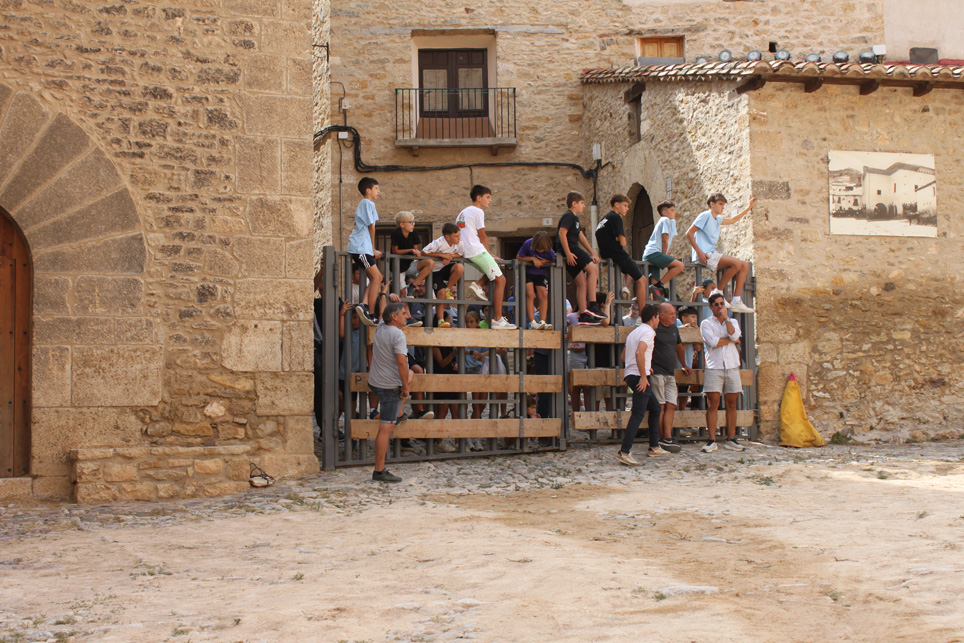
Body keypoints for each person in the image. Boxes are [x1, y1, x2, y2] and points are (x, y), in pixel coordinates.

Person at [456, 185, 516, 329]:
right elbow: (482, 236)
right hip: (476, 250)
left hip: (466, 251)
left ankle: (477, 284)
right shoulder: (478, 211)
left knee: (493, 274)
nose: (490, 200)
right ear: (479, 198)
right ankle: (498, 319)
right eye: (488, 197)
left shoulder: (462, 212)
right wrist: (488, 253)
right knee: (501, 280)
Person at [685, 193, 756, 314]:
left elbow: (733, 220)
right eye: (720, 204)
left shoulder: (717, 219)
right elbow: (689, 233)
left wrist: (749, 208)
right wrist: (699, 252)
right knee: (737, 264)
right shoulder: (705, 215)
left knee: (745, 265)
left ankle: (736, 300)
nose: (723, 207)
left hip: (712, 253)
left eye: (724, 205)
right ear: (712, 204)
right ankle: (717, 291)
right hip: (704, 255)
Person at [616, 304, 669, 465]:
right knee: (638, 414)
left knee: (655, 408)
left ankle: (654, 446)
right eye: (658, 317)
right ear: (654, 317)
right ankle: (624, 451)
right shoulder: (649, 332)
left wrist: (645, 366)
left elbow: (624, 357)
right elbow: (639, 352)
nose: (658, 320)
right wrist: (644, 375)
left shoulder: (635, 332)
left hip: (632, 374)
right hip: (640, 377)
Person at [367, 302, 414, 483]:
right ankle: (379, 471)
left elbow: (382, 311)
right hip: (389, 387)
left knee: (411, 374)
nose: (407, 316)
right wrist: (405, 388)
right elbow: (402, 362)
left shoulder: (380, 326)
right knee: (386, 429)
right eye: (403, 313)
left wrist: (385, 292)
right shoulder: (398, 335)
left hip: (375, 382)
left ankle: (399, 413)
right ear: (394, 317)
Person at [699, 292, 745, 453]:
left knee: (732, 403)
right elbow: (713, 342)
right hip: (715, 367)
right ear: (711, 307)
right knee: (713, 403)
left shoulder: (732, 321)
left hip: (731, 366)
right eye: (716, 304)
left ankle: (731, 438)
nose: (720, 307)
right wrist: (731, 340)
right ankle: (712, 439)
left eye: (722, 304)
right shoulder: (706, 323)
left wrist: (727, 321)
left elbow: (735, 335)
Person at [557, 191, 604, 325]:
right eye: (582, 203)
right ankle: (593, 304)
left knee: (582, 283)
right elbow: (562, 233)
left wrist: (593, 252)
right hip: (572, 249)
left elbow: (581, 236)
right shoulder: (569, 216)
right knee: (594, 270)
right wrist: (568, 253)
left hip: (571, 250)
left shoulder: (575, 219)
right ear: (574, 203)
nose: (584, 206)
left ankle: (583, 314)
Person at [652, 302, 690, 453]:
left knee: (671, 404)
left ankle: (667, 437)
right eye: (671, 314)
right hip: (656, 372)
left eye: (674, 313)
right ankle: (661, 437)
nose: (674, 316)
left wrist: (684, 364)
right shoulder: (654, 328)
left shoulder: (674, 328)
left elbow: (679, 347)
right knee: (660, 406)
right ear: (661, 316)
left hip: (670, 372)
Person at [595, 194, 646, 306]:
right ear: (617, 205)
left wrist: (617, 238)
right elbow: (623, 242)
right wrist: (620, 239)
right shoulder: (616, 217)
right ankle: (643, 312)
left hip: (606, 255)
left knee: (630, 270)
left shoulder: (603, 220)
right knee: (642, 280)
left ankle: (625, 289)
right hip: (618, 254)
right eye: (625, 205)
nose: (627, 208)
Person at [348, 177, 383, 326]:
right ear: (368, 190)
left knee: (376, 278)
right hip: (361, 248)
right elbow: (371, 227)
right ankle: (371, 312)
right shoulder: (367, 203)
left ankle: (364, 305)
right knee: (377, 277)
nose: (378, 191)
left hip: (363, 248)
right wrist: (373, 249)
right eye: (376, 188)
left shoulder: (366, 204)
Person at [413, 222, 465, 312]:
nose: (459, 238)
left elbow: (460, 254)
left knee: (459, 267)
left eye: (459, 235)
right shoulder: (438, 243)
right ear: (447, 237)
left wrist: (450, 256)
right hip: (434, 271)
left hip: (445, 267)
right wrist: (442, 255)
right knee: (441, 294)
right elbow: (424, 252)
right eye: (456, 236)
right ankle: (440, 318)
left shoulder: (460, 243)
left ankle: (448, 289)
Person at [642, 200, 686, 296]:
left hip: (649, 253)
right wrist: (664, 256)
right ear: (664, 212)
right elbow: (665, 240)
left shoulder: (671, 222)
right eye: (672, 210)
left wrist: (666, 256)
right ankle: (659, 285)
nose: (675, 212)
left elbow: (669, 241)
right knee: (680, 266)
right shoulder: (665, 219)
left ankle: (655, 292)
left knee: (654, 281)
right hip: (654, 253)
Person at [516, 231, 555, 330]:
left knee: (543, 294)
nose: (541, 251)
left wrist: (543, 261)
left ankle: (542, 321)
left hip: (540, 274)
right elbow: (519, 257)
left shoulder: (549, 251)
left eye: (543, 249)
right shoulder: (528, 243)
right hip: (527, 273)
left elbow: (551, 260)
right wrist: (532, 258)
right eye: (538, 249)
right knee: (530, 294)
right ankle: (532, 322)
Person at [676, 305, 702, 411]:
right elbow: (680, 349)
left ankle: (681, 416)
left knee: (684, 394)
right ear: (684, 318)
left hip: (688, 367)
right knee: (675, 394)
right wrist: (686, 333)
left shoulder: (694, 330)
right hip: (677, 367)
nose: (695, 320)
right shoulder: (678, 329)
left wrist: (695, 334)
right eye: (693, 317)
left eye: (696, 317)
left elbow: (698, 348)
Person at [390, 211, 422, 292]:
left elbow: (416, 249)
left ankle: (413, 285)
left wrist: (417, 252)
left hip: (410, 263)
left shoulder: (414, 233)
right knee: (402, 291)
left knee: (429, 263)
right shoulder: (396, 233)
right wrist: (411, 250)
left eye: (414, 222)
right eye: (410, 222)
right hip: (398, 265)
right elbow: (395, 251)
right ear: (402, 224)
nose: (413, 224)